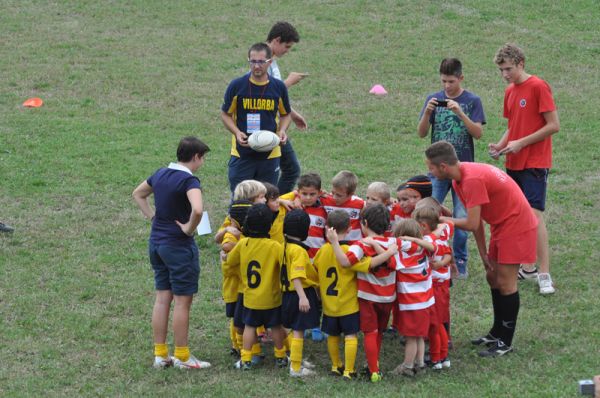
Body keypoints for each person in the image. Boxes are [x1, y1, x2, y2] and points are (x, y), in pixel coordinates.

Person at [425, 141, 538, 357]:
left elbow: (467, 223)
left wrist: (443, 220)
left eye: (431, 167)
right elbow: (474, 223)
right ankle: (496, 333)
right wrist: (484, 254)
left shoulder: (471, 180)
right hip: (501, 225)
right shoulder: (459, 179)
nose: (429, 171)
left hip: (516, 226)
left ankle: (505, 342)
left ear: (443, 167)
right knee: (492, 277)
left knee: (506, 283)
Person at [132, 136, 211, 370]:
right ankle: (183, 357)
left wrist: (153, 217)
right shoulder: (189, 181)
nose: (202, 163)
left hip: (156, 243)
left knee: (162, 299)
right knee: (182, 302)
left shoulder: (160, 173)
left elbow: (138, 193)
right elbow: (197, 209)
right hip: (178, 246)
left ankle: (160, 355)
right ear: (195, 157)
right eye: (202, 158)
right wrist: (188, 228)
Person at [489, 43, 560, 295]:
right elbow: (514, 125)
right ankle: (526, 267)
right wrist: (501, 145)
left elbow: (553, 125)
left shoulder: (539, 86)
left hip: (535, 162)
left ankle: (544, 273)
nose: (505, 74)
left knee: (534, 215)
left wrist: (521, 143)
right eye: (501, 70)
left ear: (521, 63)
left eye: (508, 69)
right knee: (518, 216)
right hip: (514, 162)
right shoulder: (510, 91)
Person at [418, 58, 486, 279]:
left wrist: (460, 113)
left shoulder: (472, 101)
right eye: (444, 81)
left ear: (461, 78)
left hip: (461, 172)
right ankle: (428, 254)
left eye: (451, 81)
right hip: (437, 172)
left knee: (461, 216)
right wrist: (428, 113)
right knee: (429, 211)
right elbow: (421, 133)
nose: (447, 86)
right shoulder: (433, 99)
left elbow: (478, 133)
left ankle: (460, 260)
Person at [323, 208, 399, 382]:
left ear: (364, 224)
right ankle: (374, 363)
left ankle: (373, 370)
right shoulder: (394, 242)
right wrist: (387, 251)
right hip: (388, 297)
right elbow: (395, 264)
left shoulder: (360, 245)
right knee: (379, 331)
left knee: (370, 332)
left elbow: (345, 262)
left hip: (368, 298)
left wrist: (334, 242)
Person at [224, 203, 288, 370]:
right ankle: (280, 356)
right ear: (269, 225)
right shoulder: (275, 246)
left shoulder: (243, 244)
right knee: (276, 326)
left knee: (249, 327)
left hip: (250, 298)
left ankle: (246, 358)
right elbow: (284, 265)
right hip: (272, 298)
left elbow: (230, 261)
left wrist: (224, 255)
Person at [221, 42, 292, 193]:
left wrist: (282, 131)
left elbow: (286, 114)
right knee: (240, 201)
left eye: (261, 62)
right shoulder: (237, 85)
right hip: (242, 153)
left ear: (269, 62)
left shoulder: (278, 87)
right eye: (253, 61)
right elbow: (225, 114)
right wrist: (236, 132)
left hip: (270, 154)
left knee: (266, 200)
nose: (256, 66)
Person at [265, 21, 309, 194]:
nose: (287, 51)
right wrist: (289, 82)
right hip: (269, 127)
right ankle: (274, 205)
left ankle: (273, 204)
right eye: (287, 46)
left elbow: (276, 97)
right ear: (276, 40)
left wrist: (292, 114)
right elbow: (265, 94)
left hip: (276, 126)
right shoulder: (263, 63)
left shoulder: (272, 62)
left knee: (288, 170)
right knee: (290, 170)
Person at [389, 218, 436, 377]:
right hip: (426, 300)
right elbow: (432, 246)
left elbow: (389, 258)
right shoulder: (424, 249)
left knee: (410, 338)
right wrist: (415, 240)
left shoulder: (402, 256)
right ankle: (420, 363)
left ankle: (407, 366)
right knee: (419, 336)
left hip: (411, 303)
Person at [280, 210, 320, 377]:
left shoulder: (285, 245)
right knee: (298, 331)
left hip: (287, 294)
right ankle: (296, 368)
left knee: (291, 329)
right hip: (299, 293)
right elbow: (297, 275)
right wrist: (303, 297)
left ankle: (295, 358)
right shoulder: (298, 251)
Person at [320, 170, 365, 242]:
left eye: (339, 195)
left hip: (354, 247)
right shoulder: (326, 200)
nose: (334, 197)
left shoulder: (360, 204)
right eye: (333, 192)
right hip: (332, 245)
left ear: (351, 194)